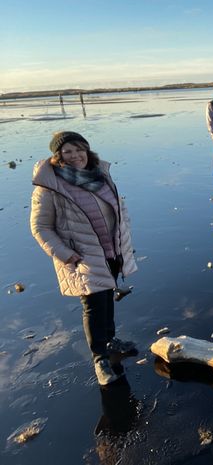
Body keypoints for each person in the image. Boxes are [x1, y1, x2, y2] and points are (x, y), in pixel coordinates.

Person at [30, 131, 138, 386]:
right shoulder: (50, 186)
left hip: (111, 251)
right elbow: (40, 227)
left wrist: (124, 240)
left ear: (87, 150)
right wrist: (65, 254)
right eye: (67, 151)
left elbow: (118, 210)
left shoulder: (100, 175)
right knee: (93, 306)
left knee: (107, 296)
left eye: (79, 149)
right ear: (58, 156)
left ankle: (111, 340)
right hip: (81, 256)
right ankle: (99, 358)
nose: (75, 156)